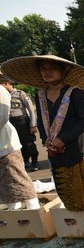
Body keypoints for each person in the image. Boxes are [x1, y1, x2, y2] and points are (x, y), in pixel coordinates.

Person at [1, 55, 84, 211]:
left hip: (79, 148)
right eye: (43, 69)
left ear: (63, 70)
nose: (47, 72)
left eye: (52, 68)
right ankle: (77, 226)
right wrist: (45, 140)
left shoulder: (74, 92)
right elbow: (42, 122)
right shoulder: (40, 95)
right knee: (67, 190)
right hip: (55, 151)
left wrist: (63, 138)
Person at [0, 77, 39, 210]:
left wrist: (33, 124)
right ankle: (14, 209)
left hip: (6, 141)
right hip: (3, 141)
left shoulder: (2, 91)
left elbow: (2, 117)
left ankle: (34, 209)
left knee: (17, 176)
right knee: (6, 180)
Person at [0, 75, 40, 171]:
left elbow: (31, 109)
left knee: (28, 143)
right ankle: (25, 161)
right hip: (10, 123)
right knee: (18, 144)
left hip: (22, 122)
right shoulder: (3, 95)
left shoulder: (19, 93)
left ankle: (35, 161)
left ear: (6, 83)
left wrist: (33, 124)